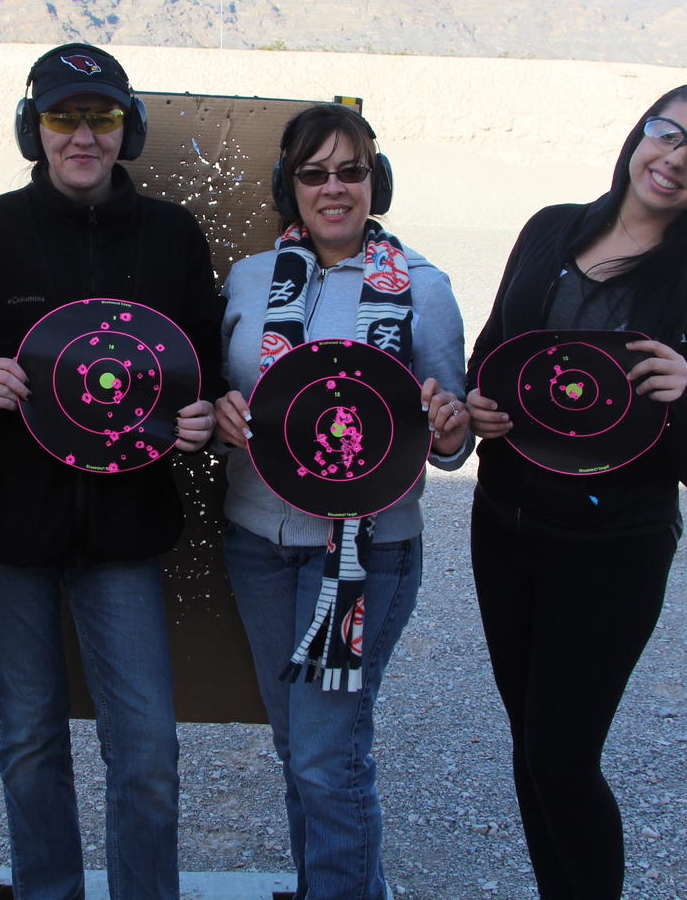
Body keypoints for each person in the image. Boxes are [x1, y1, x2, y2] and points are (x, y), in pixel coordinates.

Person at [0, 43, 225, 900]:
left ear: (128, 130)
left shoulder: (171, 235)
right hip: (4, 528)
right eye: (62, 117)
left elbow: (201, 362)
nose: (82, 135)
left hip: (123, 530)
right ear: (33, 129)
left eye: (102, 117)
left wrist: (199, 418)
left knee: (148, 752)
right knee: (30, 741)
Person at [462, 83, 687, 900]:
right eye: (669, 135)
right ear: (638, 136)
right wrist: (482, 404)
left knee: (562, 754)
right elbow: (495, 354)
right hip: (506, 528)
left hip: (612, 552)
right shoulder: (551, 230)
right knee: (531, 748)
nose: (676, 160)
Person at [210, 104, 471, 900]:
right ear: (289, 186)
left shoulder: (422, 288)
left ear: (374, 182)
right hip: (258, 540)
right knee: (302, 750)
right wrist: (224, 414)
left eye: (350, 171)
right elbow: (233, 396)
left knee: (329, 757)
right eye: (313, 173)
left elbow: (452, 439)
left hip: (364, 555)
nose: (333, 188)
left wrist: (452, 425)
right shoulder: (251, 279)